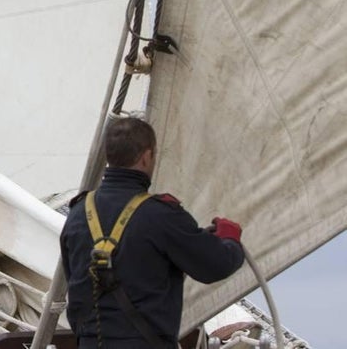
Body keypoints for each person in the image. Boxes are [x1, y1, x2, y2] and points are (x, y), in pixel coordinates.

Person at [61, 117, 245, 349]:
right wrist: (230, 238)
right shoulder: (161, 216)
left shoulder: (77, 214)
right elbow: (217, 264)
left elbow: (73, 277)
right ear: (146, 156)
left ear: (109, 156)